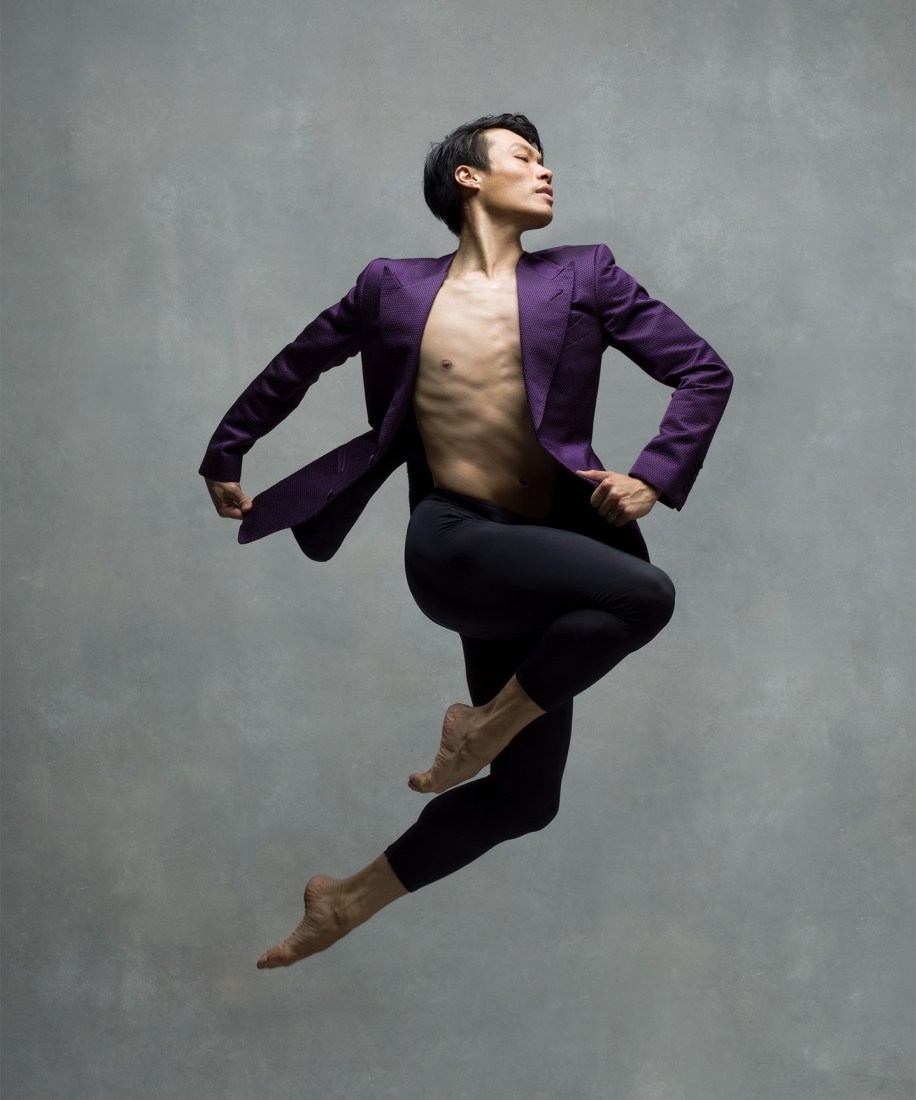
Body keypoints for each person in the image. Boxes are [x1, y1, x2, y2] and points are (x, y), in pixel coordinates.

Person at [199, 114, 733, 969]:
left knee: (525, 800)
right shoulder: (392, 288)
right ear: (468, 179)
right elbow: (297, 363)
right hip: (454, 540)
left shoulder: (585, 276)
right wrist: (227, 450)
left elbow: (702, 369)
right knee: (643, 595)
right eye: (524, 156)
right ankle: (482, 728)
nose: (546, 169)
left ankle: (344, 901)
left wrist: (652, 475)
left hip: (550, 549)